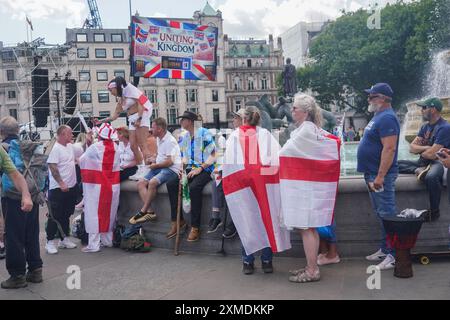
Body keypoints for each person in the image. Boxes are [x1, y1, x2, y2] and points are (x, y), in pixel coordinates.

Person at [279, 94, 341, 283]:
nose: (292, 111)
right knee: (310, 228)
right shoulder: (313, 129)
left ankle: (312, 270)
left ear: (305, 112)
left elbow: (283, 153)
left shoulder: (305, 130)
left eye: (295, 108)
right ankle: (310, 266)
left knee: (306, 229)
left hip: (303, 189)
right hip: (309, 187)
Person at [223, 106, 291, 275]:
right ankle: (267, 261)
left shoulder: (234, 136)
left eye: (236, 118)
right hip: (265, 187)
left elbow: (229, 165)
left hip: (243, 188)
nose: (234, 121)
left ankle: (248, 261)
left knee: (246, 220)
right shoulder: (267, 135)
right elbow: (277, 160)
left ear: (244, 119)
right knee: (267, 219)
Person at [357, 83, 400, 271]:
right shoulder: (378, 116)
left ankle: (394, 255)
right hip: (372, 173)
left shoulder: (388, 118)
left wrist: (381, 176)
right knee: (381, 213)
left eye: (372, 96)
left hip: (380, 175)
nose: (368, 99)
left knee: (388, 214)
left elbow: (389, 148)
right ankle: (385, 249)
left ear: (382, 99)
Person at [0, 117, 38, 289]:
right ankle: (36, 270)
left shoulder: (5, 148)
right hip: (32, 193)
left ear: (2, 132)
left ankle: (17, 275)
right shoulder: (29, 145)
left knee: (13, 236)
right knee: (31, 232)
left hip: (12, 197)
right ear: (17, 130)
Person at [166, 111, 216, 242]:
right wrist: (181, 169)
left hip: (205, 168)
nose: (181, 122)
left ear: (191, 121)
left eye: (183, 119)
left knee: (194, 188)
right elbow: (184, 157)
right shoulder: (184, 136)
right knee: (171, 184)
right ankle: (178, 221)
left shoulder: (204, 133)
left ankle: (195, 227)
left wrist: (200, 168)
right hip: (190, 168)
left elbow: (214, 154)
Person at [398, 97, 450, 222]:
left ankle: (434, 212)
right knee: (394, 164)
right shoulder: (424, 127)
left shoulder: (444, 127)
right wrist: (427, 147)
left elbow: (433, 155)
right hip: (423, 162)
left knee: (431, 177)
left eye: (424, 107)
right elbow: (411, 148)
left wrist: (424, 150)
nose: (421, 110)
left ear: (433, 110)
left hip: (438, 162)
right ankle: (418, 169)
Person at [98, 76, 153, 180]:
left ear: (115, 87)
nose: (111, 93)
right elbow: (114, 117)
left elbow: (141, 103)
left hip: (141, 117)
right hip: (132, 119)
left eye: (111, 90)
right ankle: (140, 168)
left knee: (143, 145)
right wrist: (99, 121)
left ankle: (147, 169)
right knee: (133, 146)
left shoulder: (130, 91)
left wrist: (139, 118)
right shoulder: (121, 100)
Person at [130, 118, 181, 224]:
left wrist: (155, 165)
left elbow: (170, 162)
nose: (150, 130)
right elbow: (160, 155)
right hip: (160, 166)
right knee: (141, 183)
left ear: (160, 129)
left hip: (171, 169)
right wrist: (153, 159)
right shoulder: (159, 139)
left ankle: (143, 211)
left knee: (152, 182)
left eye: (152, 127)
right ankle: (150, 212)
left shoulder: (170, 141)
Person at [80, 123, 121, 253]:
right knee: (109, 213)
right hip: (113, 185)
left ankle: (94, 244)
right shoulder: (116, 147)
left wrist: (89, 143)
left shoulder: (95, 147)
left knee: (93, 213)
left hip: (97, 186)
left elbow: (83, 160)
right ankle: (107, 240)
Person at [45, 125, 78, 254]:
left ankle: (64, 239)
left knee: (66, 214)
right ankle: (49, 241)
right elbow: (53, 167)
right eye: (70, 133)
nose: (72, 135)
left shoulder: (69, 146)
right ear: (63, 134)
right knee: (55, 215)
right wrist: (61, 182)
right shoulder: (54, 148)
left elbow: (74, 156)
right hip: (58, 188)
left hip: (71, 186)